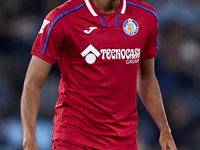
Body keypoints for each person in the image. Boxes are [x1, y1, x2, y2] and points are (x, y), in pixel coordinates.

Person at [20, 0, 177, 149]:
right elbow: (33, 83)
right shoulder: (62, 18)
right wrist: (29, 140)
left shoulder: (146, 16)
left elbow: (146, 78)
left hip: (124, 141)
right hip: (75, 139)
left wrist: (165, 129)